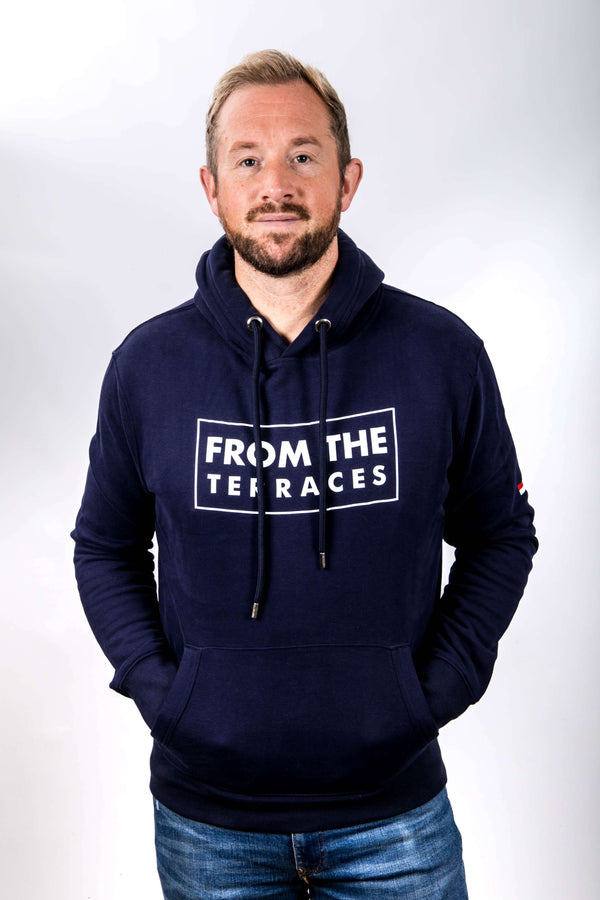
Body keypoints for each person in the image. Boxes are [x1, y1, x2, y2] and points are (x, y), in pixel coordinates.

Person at [72, 49, 537, 899]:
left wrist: (432, 690)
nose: (275, 183)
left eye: (303, 155)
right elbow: (103, 546)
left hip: (395, 820)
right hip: (207, 825)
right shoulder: (149, 365)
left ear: (347, 180)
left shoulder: (440, 355)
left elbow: (501, 534)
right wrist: (165, 697)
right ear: (212, 188)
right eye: (247, 159)